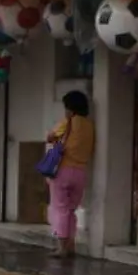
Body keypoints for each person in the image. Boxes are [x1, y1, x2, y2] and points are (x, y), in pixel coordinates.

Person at [46, 89, 96, 260]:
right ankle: (71, 244)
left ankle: (61, 248)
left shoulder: (68, 122)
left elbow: (50, 137)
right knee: (72, 210)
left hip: (63, 170)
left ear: (71, 109)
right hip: (80, 172)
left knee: (60, 208)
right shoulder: (90, 125)